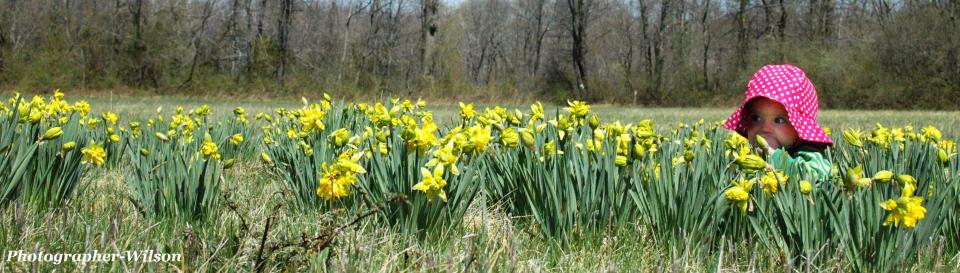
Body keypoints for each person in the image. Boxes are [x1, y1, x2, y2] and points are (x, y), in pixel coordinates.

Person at [723, 64, 833, 181]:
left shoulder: (809, 152)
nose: (765, 128)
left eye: (779, 120)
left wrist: (777, 158)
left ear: (801, 128)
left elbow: (817, 178)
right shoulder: (747, 153)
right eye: (756, 118)